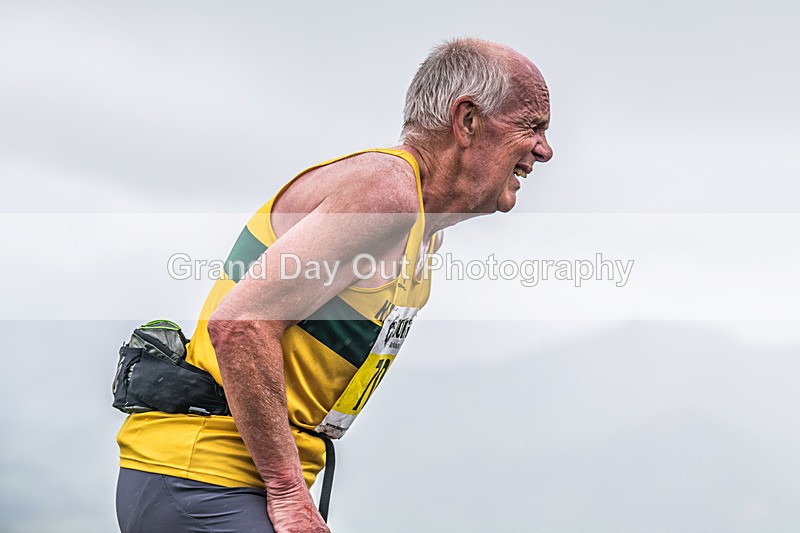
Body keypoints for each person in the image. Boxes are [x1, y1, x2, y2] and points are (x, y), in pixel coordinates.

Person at [115, 37, 553, 533]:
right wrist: (287, 492)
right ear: (467, 121)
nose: (545, 150)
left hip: (218, 484)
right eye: (531, 126)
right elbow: (239, 324)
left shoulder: (422, 228)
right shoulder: (387, 196)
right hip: (204, 480)